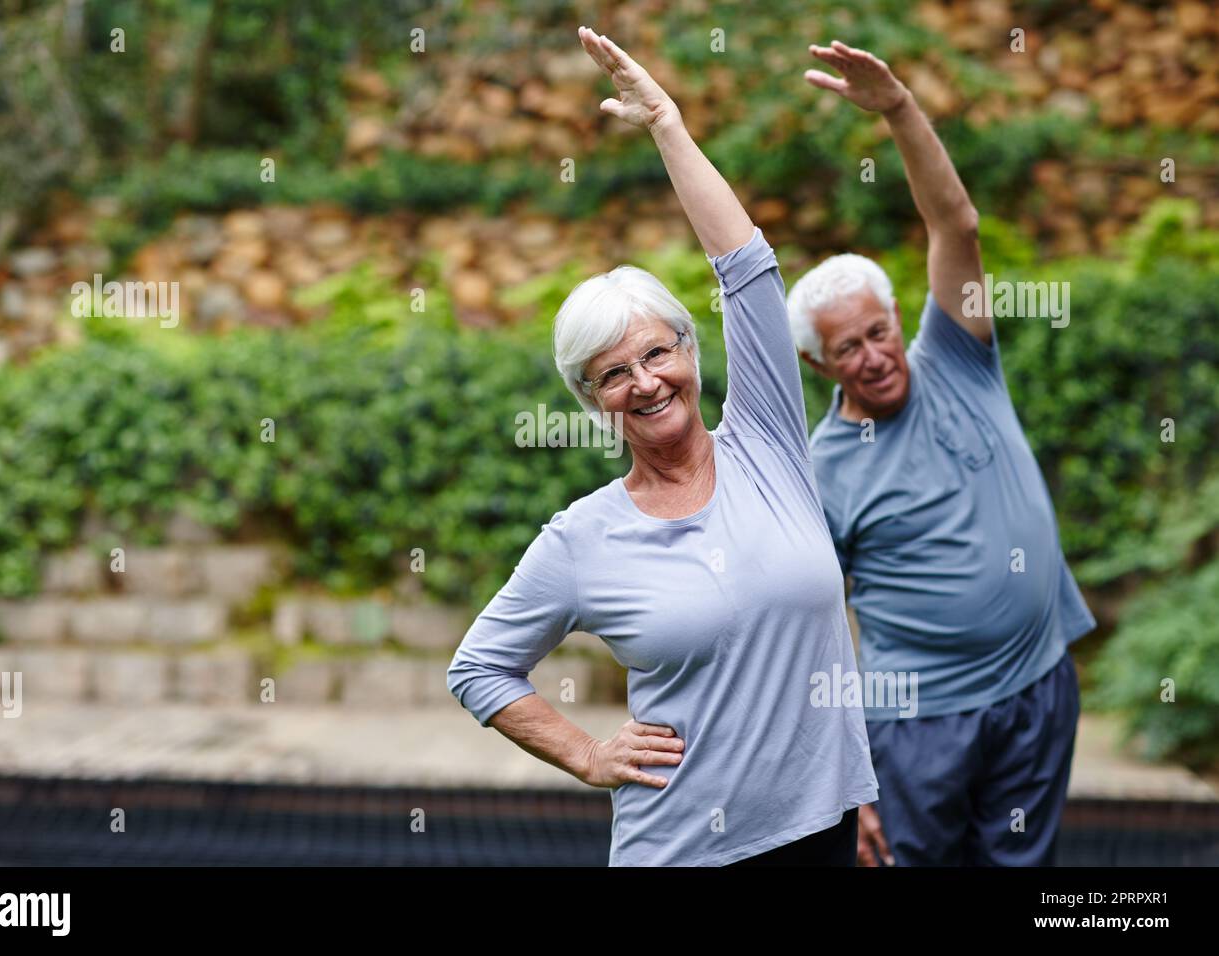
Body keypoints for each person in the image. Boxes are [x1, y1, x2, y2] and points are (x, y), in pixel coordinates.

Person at [446, 26, 877, 866]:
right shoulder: (581, 539)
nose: (644, 382)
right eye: (613, 375)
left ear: (690, 351)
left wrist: (667, 127)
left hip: (822, 833)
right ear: (592, 401)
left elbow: (748, 270)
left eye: (657, 353)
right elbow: (480, 669)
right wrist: (587, 754)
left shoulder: (767, 445)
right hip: (682, 850)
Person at [793, 41, 1094, 866]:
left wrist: (898, 109)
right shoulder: (824, 467)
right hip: (920, 723)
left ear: (900, 319)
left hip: (1037, 684)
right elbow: (816, 629)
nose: (874, 356)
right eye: (847, 348)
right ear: (819, 366)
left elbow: (953, 220)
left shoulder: (959, 354)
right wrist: (845, 783)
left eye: (879, 331)